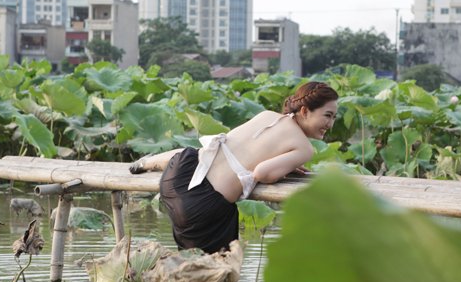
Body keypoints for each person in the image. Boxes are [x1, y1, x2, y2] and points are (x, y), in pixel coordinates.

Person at [129, 81, 339, 254]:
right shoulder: (304, 148)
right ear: (304, 111)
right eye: (327, 115)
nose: (330, 124)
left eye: (334, 117)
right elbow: (262, 173)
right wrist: (286, 168)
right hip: (201, 205)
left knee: (196, 152)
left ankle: (149, 162)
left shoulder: (267, 116)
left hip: (177, 175)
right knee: (208, 277)